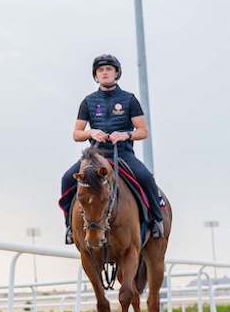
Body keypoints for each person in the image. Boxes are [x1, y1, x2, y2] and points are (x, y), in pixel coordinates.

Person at [59, 54, 165, 245]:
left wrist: (127, 134)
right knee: (67, 178)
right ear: (96, 75)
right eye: (100, 70)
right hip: (95, 155)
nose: (104, 72)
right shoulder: (88, 101)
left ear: (116, 73)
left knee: (146, 177)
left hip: (122, 153)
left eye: (108, 69)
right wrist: (91, 132)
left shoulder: (129, 100)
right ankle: (69, 225)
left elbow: (143, 131)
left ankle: (157, 221)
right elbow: (77, 134)